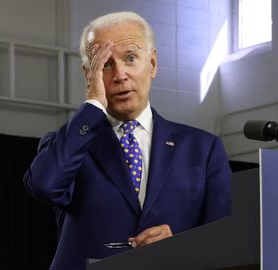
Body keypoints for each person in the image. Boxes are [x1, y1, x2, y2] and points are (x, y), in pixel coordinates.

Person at [23, 11, 231, 270]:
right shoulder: (67, 143)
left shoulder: (203, 149)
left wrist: (180, 242)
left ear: (152, 63)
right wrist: (92, 106)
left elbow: (224, 238)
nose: (120, 75)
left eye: (130, 58)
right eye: (105, 64)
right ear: (89, 74)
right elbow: (44, 186)